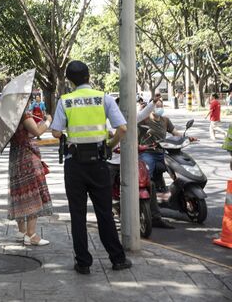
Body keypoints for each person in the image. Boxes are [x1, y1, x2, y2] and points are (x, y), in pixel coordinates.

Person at [51, 60, 132, 275]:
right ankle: (117, 259)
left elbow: (56, 133)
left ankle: (83, 262)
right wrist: (108, 146)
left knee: (77, 215)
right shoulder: (103, 98)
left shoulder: (65, 101)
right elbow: (122, 129)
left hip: (75, 165)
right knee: (104, 212)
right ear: (89, 76)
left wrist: (68, 132)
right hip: (99, 163)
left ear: (69, 80)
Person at [138, 98, 198, 229]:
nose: (159, 108)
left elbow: (175, 133)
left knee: (177, 170)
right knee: (147, 180)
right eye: (156, 106)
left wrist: (187, 138)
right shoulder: (144, 120)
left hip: (162, 152)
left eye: (161, 105)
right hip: (147, 153)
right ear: (151, 107)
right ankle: (147, 206)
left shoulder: (165, 120)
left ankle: (175, 194)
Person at [9, 102, 53, 246]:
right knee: (33, 194)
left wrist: (39, 122)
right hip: (28, 158)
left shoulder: (10, 115)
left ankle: (22, 232)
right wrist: (47, 121)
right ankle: (32, 235)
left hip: (15, 158)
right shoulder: (24, 115)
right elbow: (37, 132)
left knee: (20, 194)